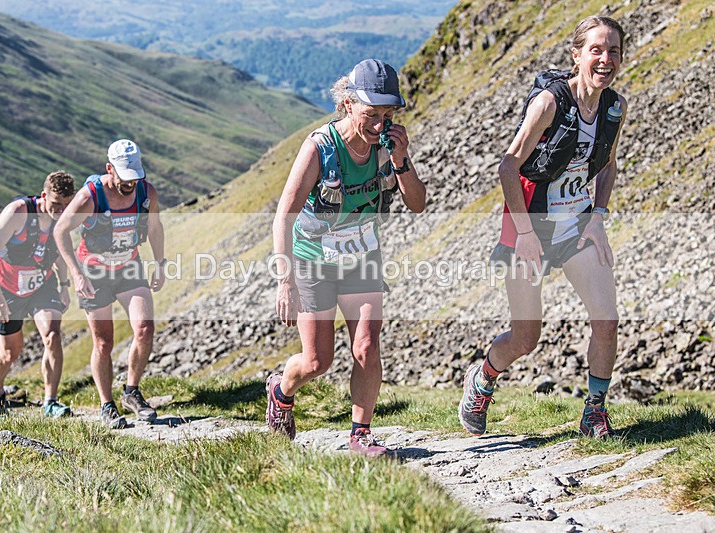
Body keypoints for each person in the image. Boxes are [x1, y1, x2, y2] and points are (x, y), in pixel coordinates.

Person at [458, 16, 628, 439]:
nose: (605, 59)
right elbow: (508, 167)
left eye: (614, 51)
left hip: (576, 224)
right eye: (596, 50)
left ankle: (594, 412)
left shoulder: (614, 107)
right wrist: (525, 234)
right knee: (525, 337)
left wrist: (598, 216)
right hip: (527, 224)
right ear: (577, 55)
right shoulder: (550, 103)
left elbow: (608, 164)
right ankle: (482, 379)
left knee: (606, 321)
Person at [268, 59, 426, 456]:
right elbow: (284, 215)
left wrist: (402, 159)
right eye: (372, 114)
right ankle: (281, 391)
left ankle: (361, 435)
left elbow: (418, 203)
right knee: (317, 362)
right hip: (313, 261)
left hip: (362, 258)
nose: (380, 124)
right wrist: (285, 280)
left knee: (367, 347)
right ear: (349, 103)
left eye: (388, 115)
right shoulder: (319, 147)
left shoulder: (388, 146)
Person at [54, 139, 165, 429]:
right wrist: (76, 274)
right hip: (94, 274)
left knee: (144, 328)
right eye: (124, 177)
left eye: (134, 177)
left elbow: (154, 226)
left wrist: (160, 263)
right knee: (104, 343)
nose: (130, 184)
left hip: (129, 267)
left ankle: (131, 392)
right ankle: (107, 404)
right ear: (109, 169)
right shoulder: (89, 197)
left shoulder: (146, 192)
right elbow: (60, 231)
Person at [0, 171, 76, 421]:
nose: (61, 211)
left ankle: (50, 402)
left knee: (53, 336)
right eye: (56, 204)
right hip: (8, 288)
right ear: (44, 196)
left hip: (42, 284)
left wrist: (64, 285)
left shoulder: (63, 218)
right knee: (10, 353)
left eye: (66, 205)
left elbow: (59, 252)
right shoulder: (19, 212)